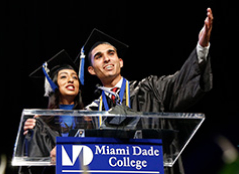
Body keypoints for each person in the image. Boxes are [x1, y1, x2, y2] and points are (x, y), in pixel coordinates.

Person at [82, 8, 213, 174]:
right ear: (92, 70)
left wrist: (202, 47)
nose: (106, 58)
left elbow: (181, 82)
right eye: (98, 56)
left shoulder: (150, 90)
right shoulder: (90, 114)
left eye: (111, 53)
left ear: (120, 62)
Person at [19, 49, 87, 174]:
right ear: (53, 84)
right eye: (63, 77)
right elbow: (33, 167)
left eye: (74, 77)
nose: (71, 80)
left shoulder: (89, 119)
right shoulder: (39, 123)